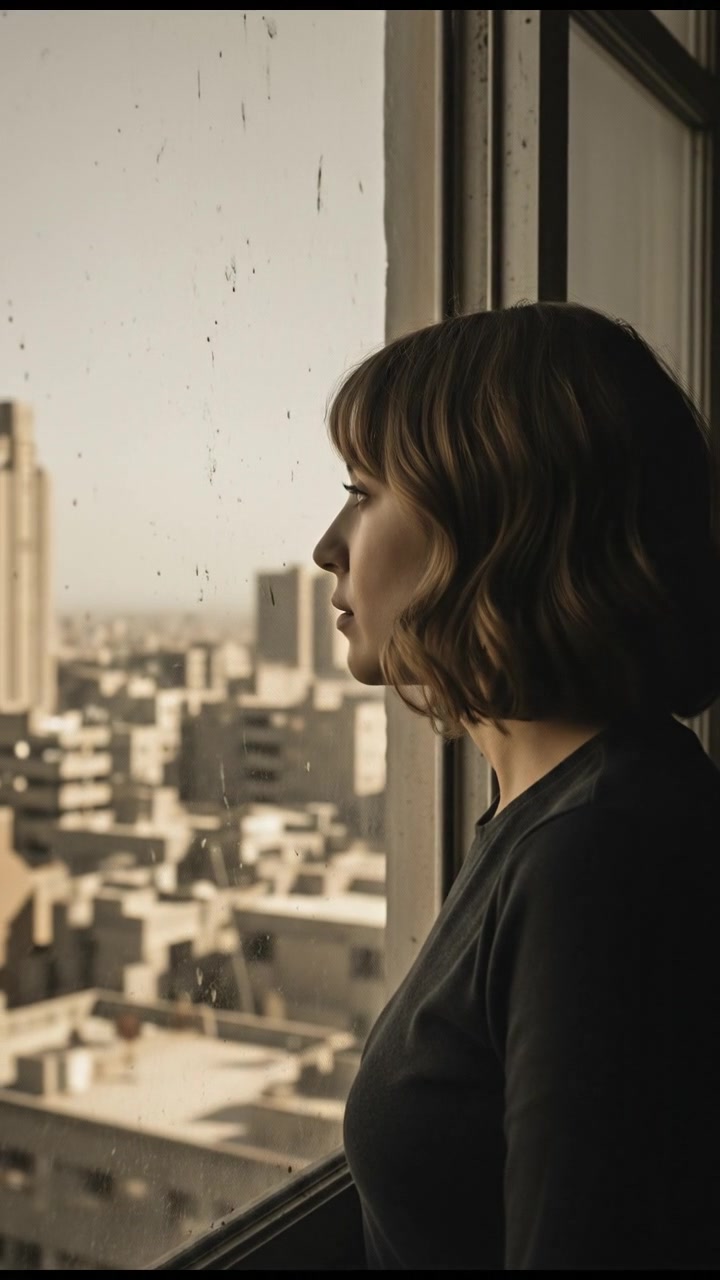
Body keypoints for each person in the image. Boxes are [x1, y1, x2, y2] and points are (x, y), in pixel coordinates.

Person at [312, 301, 720, 1271]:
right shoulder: (566, 808)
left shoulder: (598, 854)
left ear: (494, 520)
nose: (329, 543)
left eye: (363, 492)